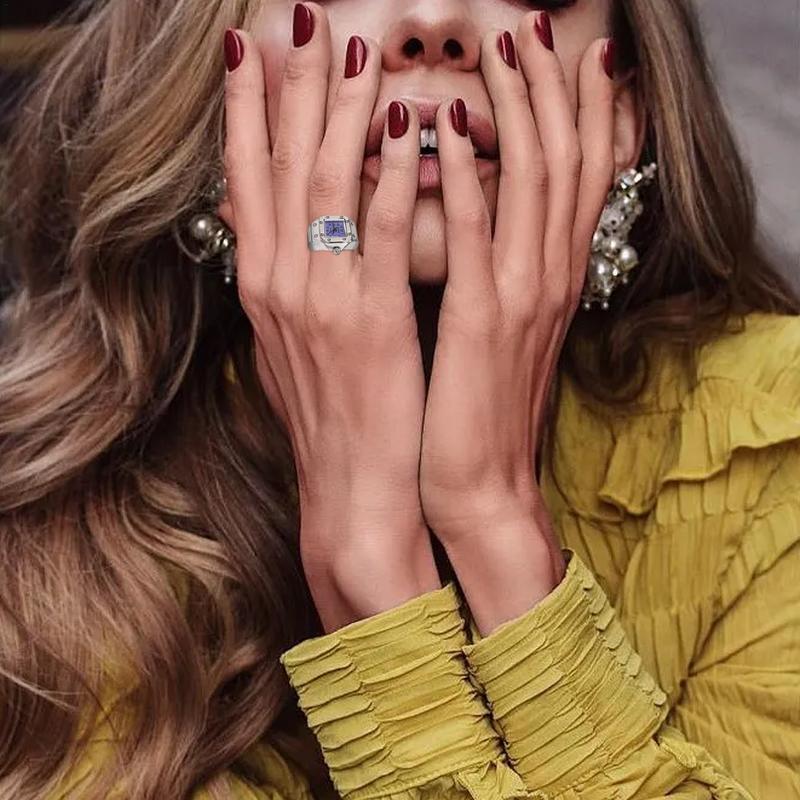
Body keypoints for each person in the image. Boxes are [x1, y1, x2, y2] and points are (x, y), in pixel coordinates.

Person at [0, 0, 798, 798]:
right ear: (213, 89)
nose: (435, 19)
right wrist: (365, 532)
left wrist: (487, 522)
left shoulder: (769, 440)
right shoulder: (38, 543)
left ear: (621, 116)